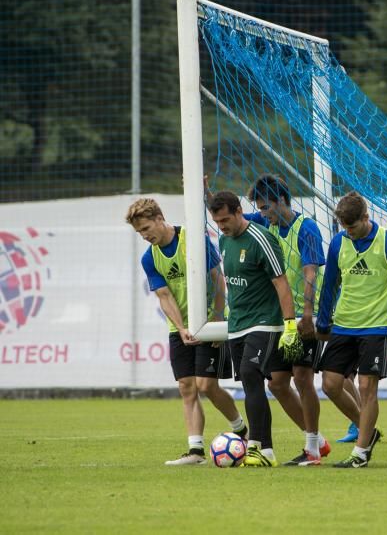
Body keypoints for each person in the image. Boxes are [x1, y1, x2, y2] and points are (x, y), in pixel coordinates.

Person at [126, 198, 248, 465]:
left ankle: (240, 430)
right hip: (180, 328)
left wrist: (216, 321)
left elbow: (218, 278)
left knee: (207, 385)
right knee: (186, 387)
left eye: (146, 228)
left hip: (209, 321)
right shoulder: (149, 257)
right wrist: (180, 328)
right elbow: (164, 295)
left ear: (159, 218)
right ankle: (195, 451)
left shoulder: (192, 240)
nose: (145, 236)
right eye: (139, 232)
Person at [315, 192, 387, 467]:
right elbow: (330, 284)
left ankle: (360, 454)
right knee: (330, 385)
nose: (349, 233)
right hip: (344, 325)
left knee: (367, 387)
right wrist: (323, 321)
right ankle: (368, 431)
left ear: (366, 218)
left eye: (352, 227)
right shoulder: (338, 243)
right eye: (345, 228)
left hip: (376, 326)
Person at [245, 174, 333, 465]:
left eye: (266, 207)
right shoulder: (262, 224)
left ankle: (311, 450)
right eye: (259, 209)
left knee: (302, 377)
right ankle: (317, 441)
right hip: (280, 318)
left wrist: (308, 314)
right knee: (278, 384)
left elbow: (311, 272)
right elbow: (232, 217)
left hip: (305, 315)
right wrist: (206, 197)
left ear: (281, 201)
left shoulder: (306, 227)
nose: (262, 213)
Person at [209, 191, 300, 467]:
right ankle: (285, 447)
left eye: (226, 219)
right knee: (252, 384)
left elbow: (281, 283)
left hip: (265, 322)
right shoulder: (224, 240)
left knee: (251, 373)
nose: (222, 225)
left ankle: (260, 447)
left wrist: (290, 324)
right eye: (217, 221)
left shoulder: (262, 238)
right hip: (237, 324)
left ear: (239, 211)